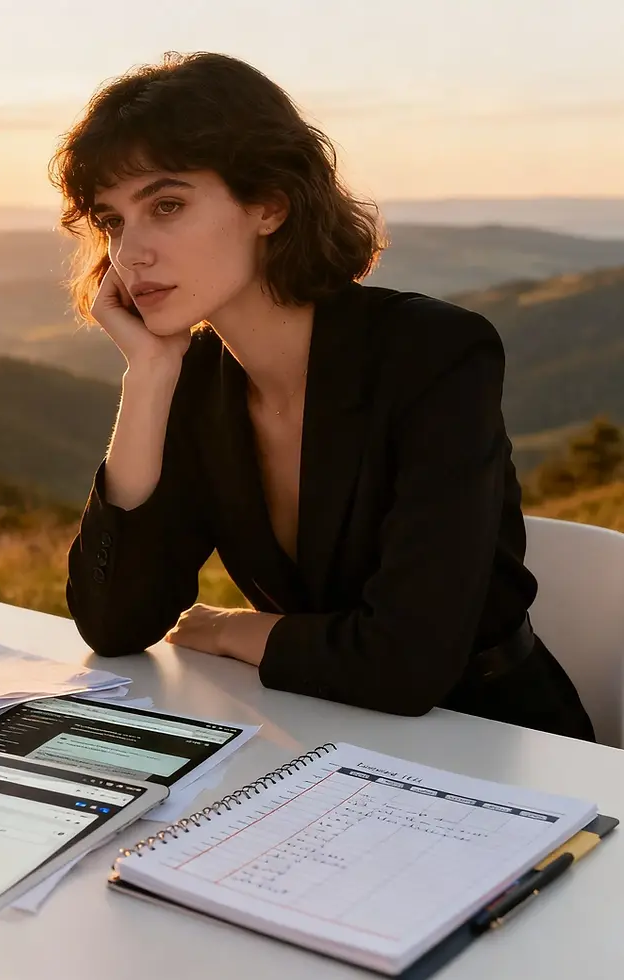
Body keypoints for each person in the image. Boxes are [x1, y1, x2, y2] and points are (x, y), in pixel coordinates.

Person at [51, 52, 595, 741]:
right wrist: (149, 376)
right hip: (317, 737)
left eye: (167, 205)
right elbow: (114, 623)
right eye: (113, 221)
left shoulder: (435, 354)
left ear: (269, 204)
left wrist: (234, 629)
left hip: (495, 742)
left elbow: (405, 665)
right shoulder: (195, 383)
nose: (130, 254)